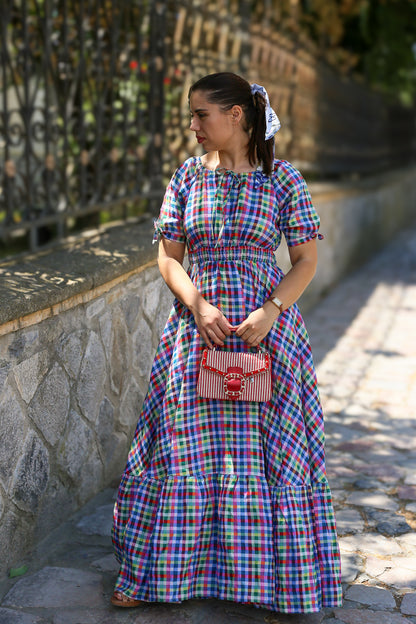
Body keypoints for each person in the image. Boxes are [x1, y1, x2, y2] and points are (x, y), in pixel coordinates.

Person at [111, 72, 342, 614]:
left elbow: (306, 261)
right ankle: (149, 575)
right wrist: (197, 304)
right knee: (179, 446)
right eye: (191, 116)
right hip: (197, 333)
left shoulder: (284, 180)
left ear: (237, 114)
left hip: (268, 336)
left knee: (267, 453)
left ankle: (275, 585)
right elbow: (168, 257)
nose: (192, 126)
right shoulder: (188, 178)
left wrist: (271, 310)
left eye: (201, 114)